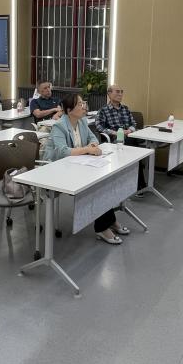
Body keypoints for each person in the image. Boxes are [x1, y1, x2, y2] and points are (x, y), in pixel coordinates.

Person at [47, 93, 131, 245]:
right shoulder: (59, 126)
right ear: (69, 110)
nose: (83, 107)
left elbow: (93, 138)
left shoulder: (82, 122)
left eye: (83, 103)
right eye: (79, 104)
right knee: (96, 186)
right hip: (57, 170)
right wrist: (87, 149)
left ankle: (109, 222)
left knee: (103, 180)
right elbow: (62, 152)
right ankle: (102, 228)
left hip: (77, 165)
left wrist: (92, 145)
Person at [94, 84, 147, 190]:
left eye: (121, 92)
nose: (120, 94)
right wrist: (115, 132)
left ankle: (137, 182)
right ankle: (139, 184)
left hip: (129, 136)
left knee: (135, 142)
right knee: (134, 148)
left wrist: (129, 130)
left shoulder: (125, 109)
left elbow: (133, 123)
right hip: (115, 140)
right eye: (117, 91)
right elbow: (99, 126)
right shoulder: (103, 110)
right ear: (109, 94)